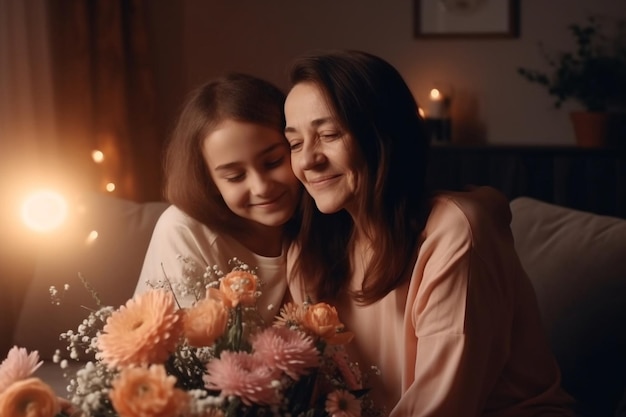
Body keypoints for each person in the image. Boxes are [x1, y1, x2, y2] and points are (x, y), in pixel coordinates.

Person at [283, 50, 574, 416]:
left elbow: (442, 408)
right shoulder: (311, 250)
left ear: (382, 136)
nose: (308, 160)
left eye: (328, 134)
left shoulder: (456, 233)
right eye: (295, 143)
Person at [134, 73, 301, 323]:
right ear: (209, 182)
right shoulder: (183, 229)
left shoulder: (317, 215)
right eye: (235, 176)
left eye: (273, 162)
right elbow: (192, 353)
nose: (261, 187)